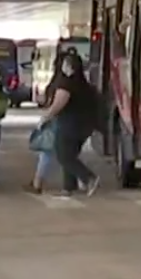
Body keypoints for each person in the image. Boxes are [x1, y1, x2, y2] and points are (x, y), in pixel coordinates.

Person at [39, 53, 100, 197]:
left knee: (63, 155)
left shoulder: (66, 83)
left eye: (65, 64)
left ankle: (88, 178)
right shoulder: (83, 83)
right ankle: (68, 187)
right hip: (84, 126)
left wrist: (46, 117)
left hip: (69, 124)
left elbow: (58, 104)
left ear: (69, 66)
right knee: (71, 154)